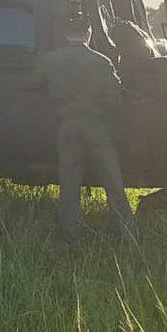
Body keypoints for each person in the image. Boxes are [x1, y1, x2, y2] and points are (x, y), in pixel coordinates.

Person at [35, 14, 137, 244]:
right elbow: (114, 100)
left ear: (64, 34)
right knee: (113, 182)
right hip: (96, 129)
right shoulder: (100, 61)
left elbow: (34, 84)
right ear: (88, 33)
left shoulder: (49, 60)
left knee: (69, 184)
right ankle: (128, 235)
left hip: (67, 128)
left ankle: (69, 235)